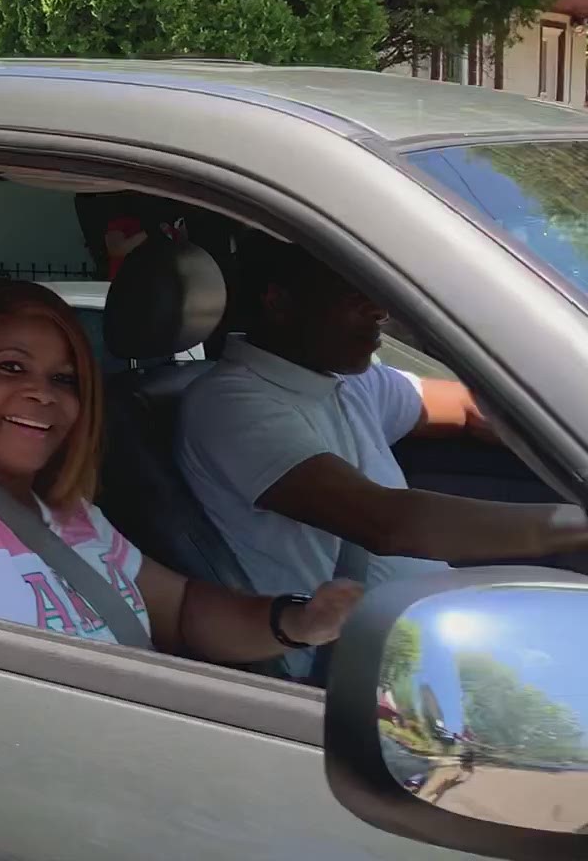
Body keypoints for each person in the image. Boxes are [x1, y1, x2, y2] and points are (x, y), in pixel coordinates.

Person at [0, 107, 360, 661]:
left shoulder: (71, 515)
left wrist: (298, 620)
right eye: (10, 367)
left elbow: (178, 610)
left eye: (65, 378)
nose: (42, 393)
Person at [176, 237, 588, 613]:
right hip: (352, 659)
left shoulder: (349, 379)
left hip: (432, 622)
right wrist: (574, 526)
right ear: (279, 303)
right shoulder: (231, 404)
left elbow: (466, 409)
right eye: (353, 293)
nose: (380, 310)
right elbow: (389, 524)